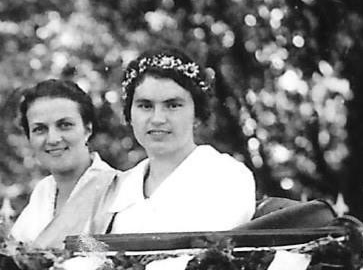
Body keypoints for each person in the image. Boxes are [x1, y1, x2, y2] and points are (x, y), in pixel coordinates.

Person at [98, 50, 256, 234]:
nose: (158, 119)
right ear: (130, 115)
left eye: (173, 105)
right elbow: (91, 245)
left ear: (197, 114)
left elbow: (207, 247)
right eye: (145, 106)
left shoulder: (226, 176)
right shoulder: (119, 187)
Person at [6, 78, 117, 246]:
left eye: (65, 125)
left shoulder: (115, 189)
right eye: (40, 129)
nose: (53, 139)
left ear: (87, 129)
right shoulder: (43, 191)